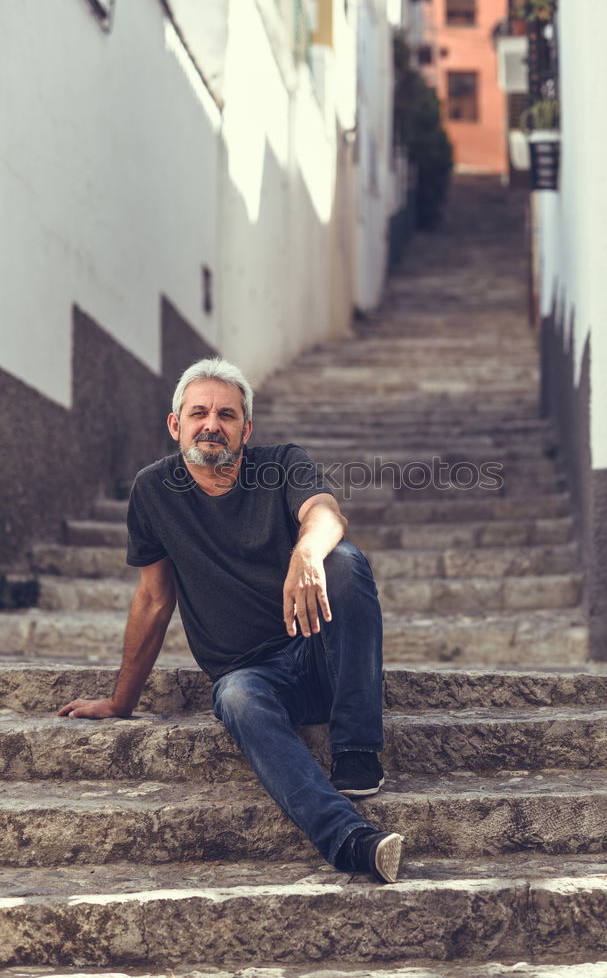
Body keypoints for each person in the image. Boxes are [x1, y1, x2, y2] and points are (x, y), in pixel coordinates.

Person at [58, 357, 406, 883]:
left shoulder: (283, 462)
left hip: (322, 657)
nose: (211, 424)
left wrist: (306, 554)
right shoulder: (153, 491)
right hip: (252, 676)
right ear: (176, 425)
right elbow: (154, 599)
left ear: (247, 428)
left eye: (226, 414)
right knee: (237, 697)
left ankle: (357, 748)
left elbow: (326, 514)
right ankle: (350, 841)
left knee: (344, 561)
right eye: (198, 413)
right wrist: (120, 701)